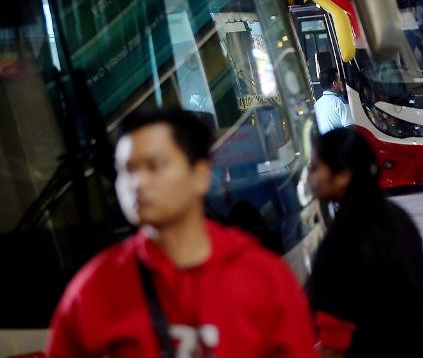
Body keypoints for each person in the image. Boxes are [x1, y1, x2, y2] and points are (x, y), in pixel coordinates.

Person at [47, 109, 317, 358]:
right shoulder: (95, 289)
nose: (136, 184)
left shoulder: (264, 279)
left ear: (200, 175)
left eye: (154, 166)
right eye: (126, 170)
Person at [308, 128, 423, 358]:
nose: (309, 177)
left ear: (343, 175)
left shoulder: (342, 242)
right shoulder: (398, 218)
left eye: (315, 168)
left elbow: (333, 345)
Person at [314, 68, 355, 134]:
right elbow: (350, 129)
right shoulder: (340, 102)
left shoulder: (316, 105)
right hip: (339, 143)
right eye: (340, 80)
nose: (341, 82)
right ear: (334, 83)